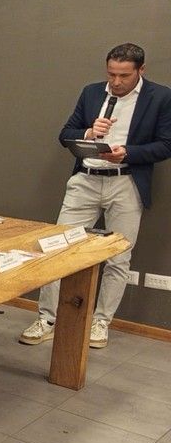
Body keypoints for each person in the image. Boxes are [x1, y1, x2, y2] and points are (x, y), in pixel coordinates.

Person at [20, 43, 171, 349]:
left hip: (126, 181)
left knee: (118, 256)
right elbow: (66, 134)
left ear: (141, 70)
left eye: (124, 76)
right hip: (85, 180)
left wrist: (128, 152)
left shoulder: (161, 97)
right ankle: (47, 318)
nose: (116, 82)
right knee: (57, 248)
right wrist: (88, 133)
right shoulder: (91, 92)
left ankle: (100, 322)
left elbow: (166, 144)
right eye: (111, 74)